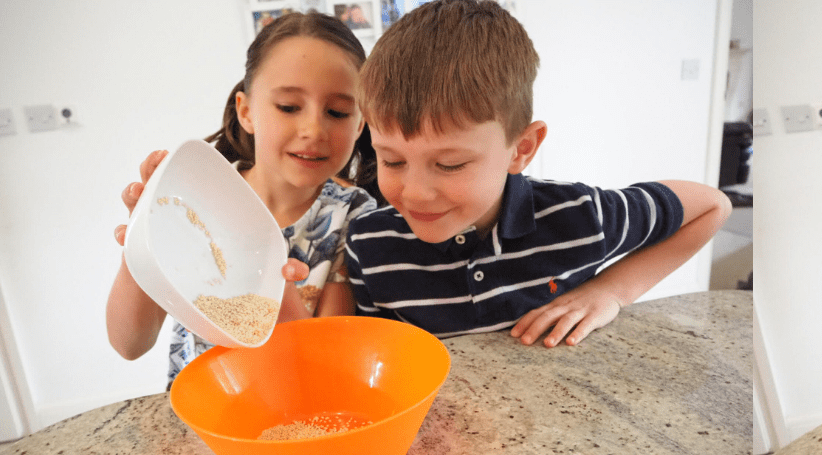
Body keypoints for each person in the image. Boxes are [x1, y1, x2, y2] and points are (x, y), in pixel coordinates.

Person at [344, 0, 729, 346]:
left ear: (522, 148)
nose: (415, 193)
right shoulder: (367, 243)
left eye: (450, 164)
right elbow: (381, 355)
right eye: (392, 161)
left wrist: (612, 291)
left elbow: (713, 206)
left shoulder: (580, 216)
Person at [106, 12, 382, 380]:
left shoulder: (354, 215)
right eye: (288, 107)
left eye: (337, 111)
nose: (314, 129)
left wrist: (277, 292)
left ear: (360, 123)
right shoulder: (198, 202)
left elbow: (324, 368)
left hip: (291, 418)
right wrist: (141, 240)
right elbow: (129, 344)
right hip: (200, 412)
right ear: (246, 111)